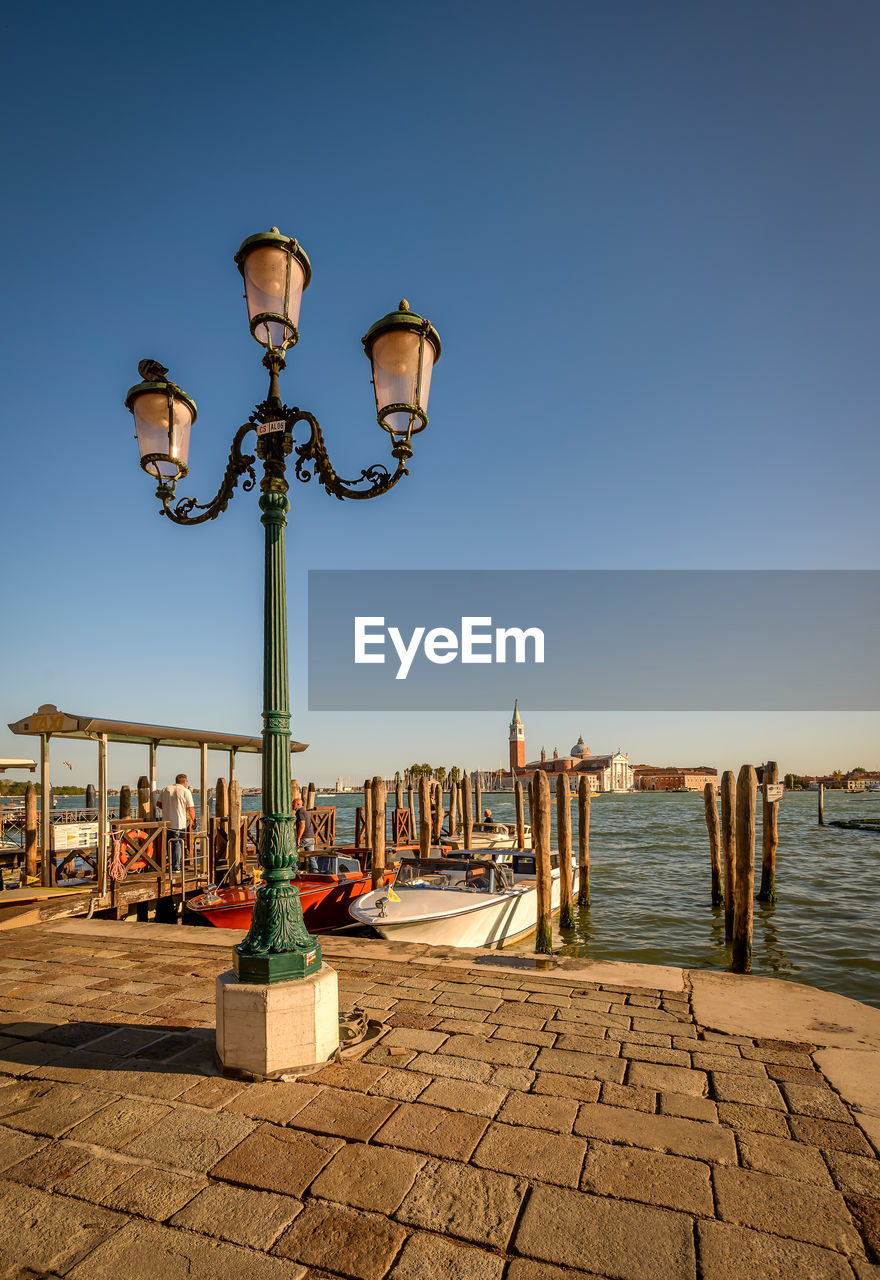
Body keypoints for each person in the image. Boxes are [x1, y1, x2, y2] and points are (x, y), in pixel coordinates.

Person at [155, 773, 195, 873]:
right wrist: (193, 821)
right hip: (179, 823)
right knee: (177, 844)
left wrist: (169, 808)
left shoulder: (165, 789)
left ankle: (169, 865)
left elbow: (158, 804)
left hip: (166, 822)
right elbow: (190, 809)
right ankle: (176, 867)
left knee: (168, 845)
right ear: (185, 781)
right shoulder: (186, 791)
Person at [293, 788, 315, 853]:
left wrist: (298, 838)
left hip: (305, 838)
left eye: (293, 804)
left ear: (298, 804)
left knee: (291, 851)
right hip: (311, 838)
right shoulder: (304, 811)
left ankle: (296, 863)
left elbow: (302, 825)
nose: (291, 805)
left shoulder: (300, 812)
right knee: (311, 858)